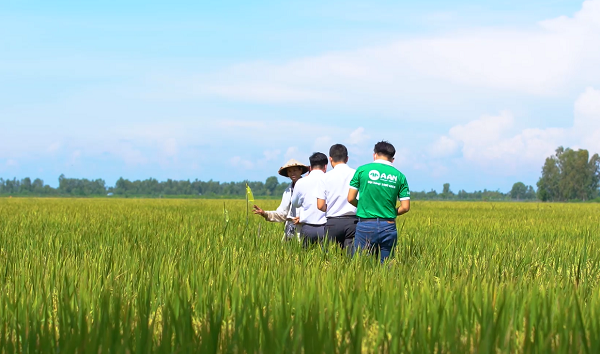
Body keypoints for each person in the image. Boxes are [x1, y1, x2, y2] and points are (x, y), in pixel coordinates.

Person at [347, 141, 410, 262]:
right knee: (386, 266)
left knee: (361, 266)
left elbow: (350, 198)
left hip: (365, 224)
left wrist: (363, 206)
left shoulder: (362, 170)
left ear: (374, 155)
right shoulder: (400, 176)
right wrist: (391, 212)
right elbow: (405, 207)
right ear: (392, 159)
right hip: (388, 225)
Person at [253, 159, 309, 241]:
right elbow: (282, 213)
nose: (292, 173)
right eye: (289, 171)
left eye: (295, 170)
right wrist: (265, 213)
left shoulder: (308, 187)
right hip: (290, 229)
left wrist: (303, 219)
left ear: (301, 170)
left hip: (305, 228)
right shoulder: (287, 191)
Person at [316, 144, 357, 249]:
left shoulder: (325, 177)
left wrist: (331, 207)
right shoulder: (356, 174)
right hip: (353, 222)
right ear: (347, 158)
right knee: (352, 260)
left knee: (332, 259)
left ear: (330, 159)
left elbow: (320, 206)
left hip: (333, 222)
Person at [291, 152, 328, 245]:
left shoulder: (301, 182)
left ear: (310, 167)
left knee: (305, 257)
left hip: (307, 228)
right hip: (326, 227)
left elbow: (295, 203)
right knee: (326, 258)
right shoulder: (329, 179)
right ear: (325, 167)